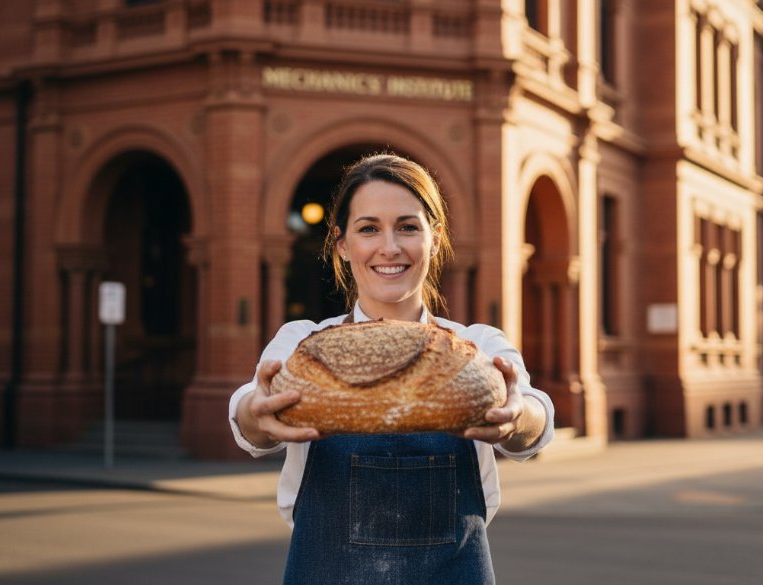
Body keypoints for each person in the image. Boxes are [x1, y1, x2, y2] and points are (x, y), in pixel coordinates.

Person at [228, 153, 555, 585]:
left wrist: (517, 419)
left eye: (407, 226)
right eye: (369, 229)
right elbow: (250, 420)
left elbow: (534, 419)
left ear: (434, 238)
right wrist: (257, 411)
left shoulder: (478, 346)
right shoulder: (304, 343)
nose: (390, 247)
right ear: (342, 244)